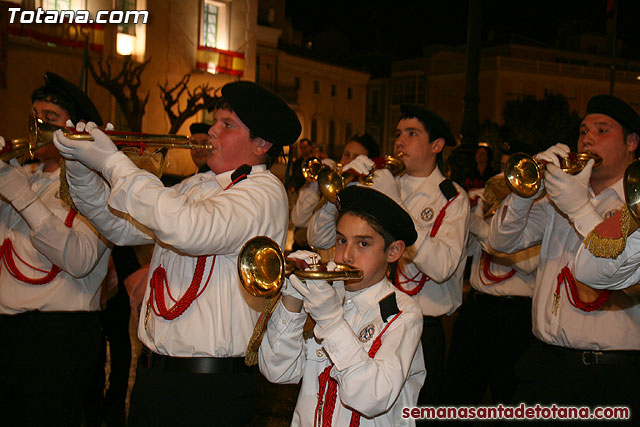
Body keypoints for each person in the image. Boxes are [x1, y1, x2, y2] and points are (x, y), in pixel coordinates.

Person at [53, 80, 301, 426]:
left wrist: (113, 162)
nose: (212, 131)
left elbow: (187, 229)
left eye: (227, 125)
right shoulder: (197, 185)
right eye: (216, 121)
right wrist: (82, 169)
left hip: (209, 388)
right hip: (155, 375)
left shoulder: (263, 192)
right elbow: (118, 226)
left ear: (261, 144)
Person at [488, 94, 640, 416]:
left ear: (632, 142)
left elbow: (617, 270)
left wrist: (579, 208)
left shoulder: (635, 205)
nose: (587, 138)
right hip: (543, 365)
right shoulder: (563, 195)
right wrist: (528, 191)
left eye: (602, 130)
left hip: (611, 375)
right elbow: (500, 242)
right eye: (583, 130)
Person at [260, 186, 425, 426]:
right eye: (341, 240)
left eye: (363, 244)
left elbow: (372, 398)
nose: (345, 256)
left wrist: (331, 322)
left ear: (393, 251)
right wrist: (292, 300)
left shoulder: (403, 315)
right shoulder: (326, 296)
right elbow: (278, 371)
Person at [0, 72, 111, 427]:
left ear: (76, 128)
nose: (36, 128)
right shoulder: (24, 176)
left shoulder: (93, 188)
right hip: (8, 331)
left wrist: (18, 193)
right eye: (34, 118)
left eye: (48, 119)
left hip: (57, 339)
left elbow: (77, 259)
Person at [391, 104, 469, 404]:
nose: (400, 141)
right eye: (399, 134)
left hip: (424, 327)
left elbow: (442, 266)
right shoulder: (388, 184)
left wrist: (394, 211)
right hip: (379, 316)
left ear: (437, 145)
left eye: (412, 134)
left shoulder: (451, 198)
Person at [442, 166, 539, 406]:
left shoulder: (537, 215)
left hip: (512, 315)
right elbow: (468, 255)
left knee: (507, 394)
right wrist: (466, 218)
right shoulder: (489, 212)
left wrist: (482, 228)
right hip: (476, 308)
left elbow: (526, 263)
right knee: (457, 392)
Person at [304, 132, 400, 252]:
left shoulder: (376, 189)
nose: (348, 162)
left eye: (356, 158)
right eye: (346, 155)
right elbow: (316, 239)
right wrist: (335, 196)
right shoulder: (340, 188)